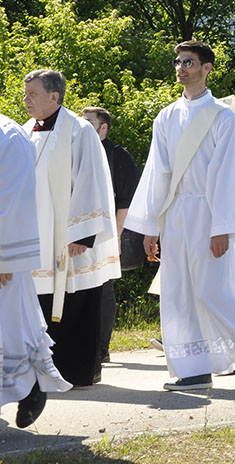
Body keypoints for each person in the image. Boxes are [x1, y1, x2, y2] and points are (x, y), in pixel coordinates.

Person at [125, 41, 235, 390]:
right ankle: (194, 369)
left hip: (208, 212)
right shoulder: (166, 115)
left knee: (210, 291)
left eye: (189, 62)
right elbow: (157, 171)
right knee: (178, 293)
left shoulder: (221, 115)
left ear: (206, 68)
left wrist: (222, 227)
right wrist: (150, 226)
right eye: (178, 61)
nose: (181, 67)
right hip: (174, 212)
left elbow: (223, 173)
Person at [23, 69, 120, 387]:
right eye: (25, 94)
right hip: (34, 238)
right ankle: (39, 372)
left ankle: (77, 370)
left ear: (54, 96)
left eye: (32, 94)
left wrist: (82, 233)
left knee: (74, 300)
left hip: (69, 237)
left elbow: (92, 180)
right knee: (37, 302)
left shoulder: (79, 131)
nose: (26, 100)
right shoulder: (24, 132)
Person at [0, 112, 72, 428]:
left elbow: (15, 202)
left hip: (4, 259)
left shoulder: (9, 136)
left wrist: (5, 258)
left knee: (10, 330)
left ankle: (30, 386)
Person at [81, 106, 140, 364]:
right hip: (82, 235)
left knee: (105, 290)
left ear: (103, 128)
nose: (83, 127)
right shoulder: (81, 154)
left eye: (88, 123)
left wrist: (115, 238)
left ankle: (101, 349)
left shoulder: (119, 156)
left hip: (108, 236)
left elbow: (126, 203)